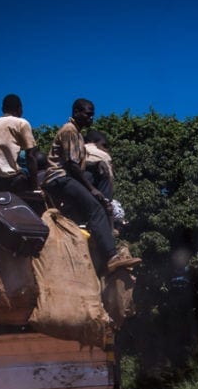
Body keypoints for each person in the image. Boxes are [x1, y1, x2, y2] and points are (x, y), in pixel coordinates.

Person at [43, 98, 139, 275]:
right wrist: (92, 190)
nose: (91, 118)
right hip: (59, 179)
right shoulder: (70, 130)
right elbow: (71, 166)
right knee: (96, 209)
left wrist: (96, 166)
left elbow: (78, 167)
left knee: (100, 175)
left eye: (92, 115)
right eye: (88, 114)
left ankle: (106, 212)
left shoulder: (79, 135)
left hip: (69, 177)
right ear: (76, 112)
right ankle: (111, 256)